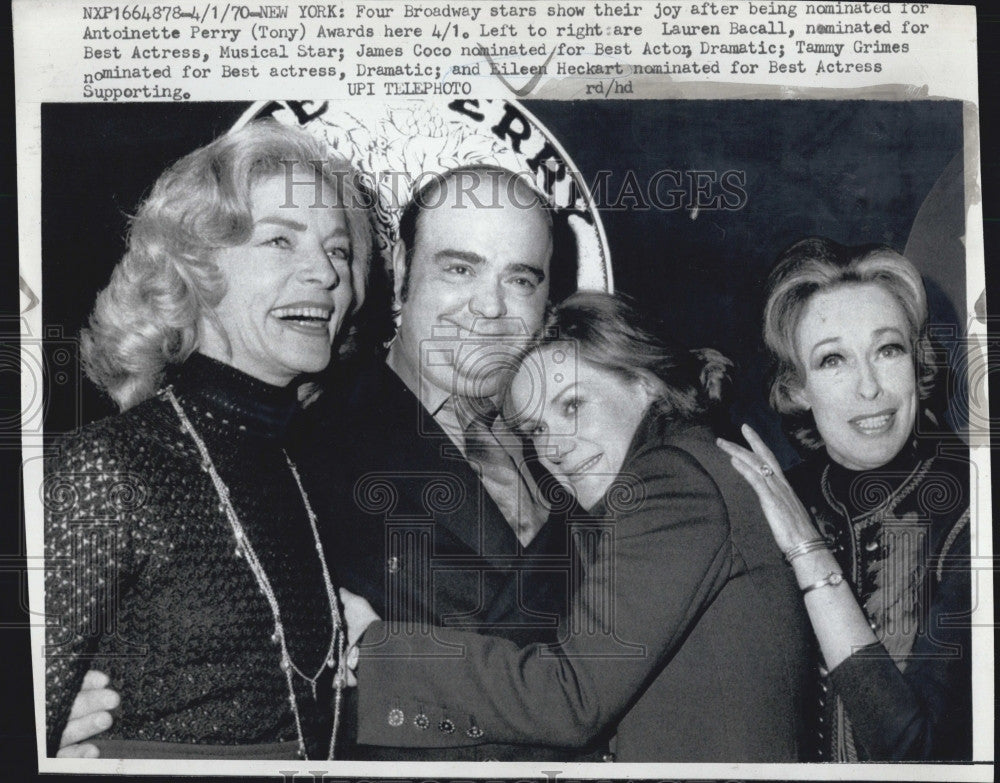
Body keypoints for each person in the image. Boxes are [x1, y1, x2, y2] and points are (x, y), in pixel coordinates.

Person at [340, 291, 813, 762]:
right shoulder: (667, 476)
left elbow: (571, 700)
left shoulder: (672, 481)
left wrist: (375, 646)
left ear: (644, 382)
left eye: (571, 406)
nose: (555, 449)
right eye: (538, 431)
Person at [44, 120, 373, 759]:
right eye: (281, 240)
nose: (327, 274)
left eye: (339, 251)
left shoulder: (296, 467)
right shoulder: (111, 466)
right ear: (194, 269)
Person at [293, 166, 591, 761]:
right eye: (460, 268)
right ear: (402, 269)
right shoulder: (308, 448)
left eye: (522, 280)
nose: (490, 307)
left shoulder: (585, 436)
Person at [717, 237, 972, 760]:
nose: (870, 388)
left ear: (918, 363)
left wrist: (810, 554)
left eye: (888, 349)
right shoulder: (771, 499)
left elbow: (914, 755)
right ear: (798, 389)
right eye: (833, 360)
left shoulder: (974, 507)